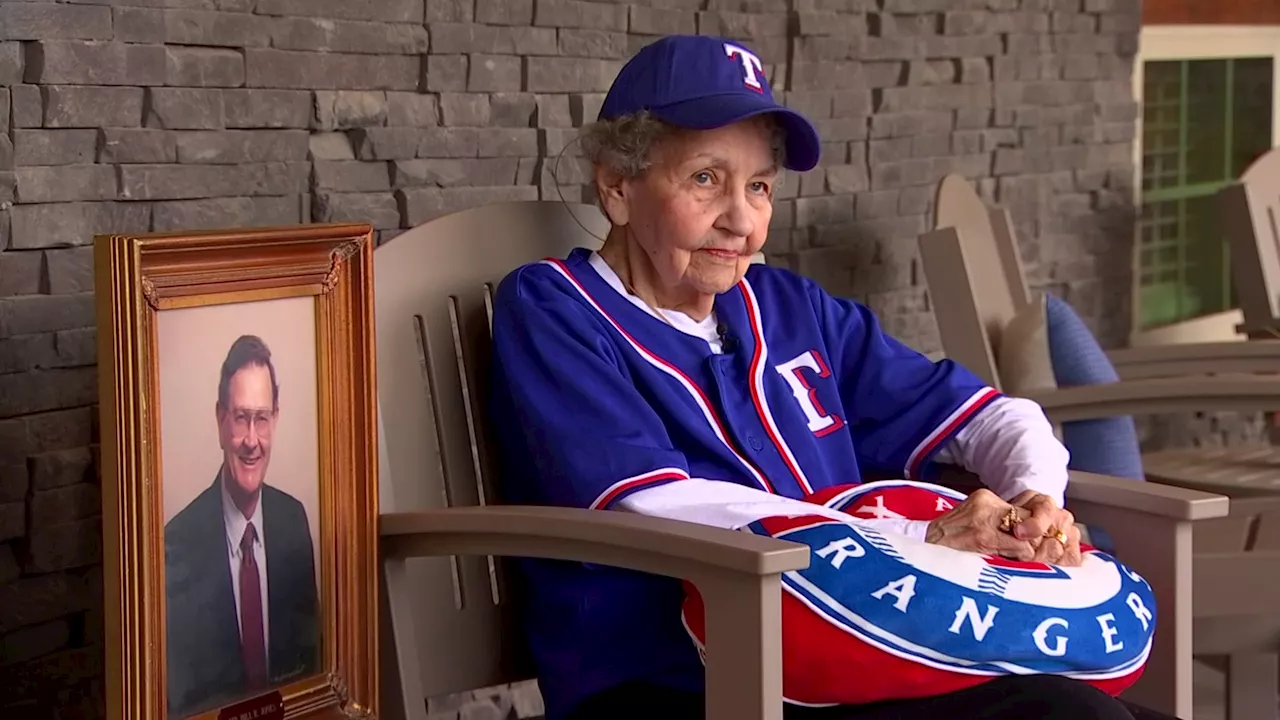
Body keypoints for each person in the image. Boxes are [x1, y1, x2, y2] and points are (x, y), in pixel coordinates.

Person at [488, 34, 1181, 720]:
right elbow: (653, 503)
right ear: (616, 185)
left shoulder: (791, 309)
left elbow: (994, 417)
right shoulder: (555, 308)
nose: (740, 220)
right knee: (1065, 714)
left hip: (851, 659)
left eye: (758, 187)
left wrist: (1033, 501)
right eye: (705, 178)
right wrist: (919, 537)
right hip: (676, 681)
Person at [164, 334, 319, 717]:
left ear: (275, 419)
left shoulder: (293, 521)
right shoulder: (176, 543)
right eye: (240, 418)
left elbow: (311, 667)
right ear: (220, 420)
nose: (252, 440)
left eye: (261, 419)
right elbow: (182, 701)